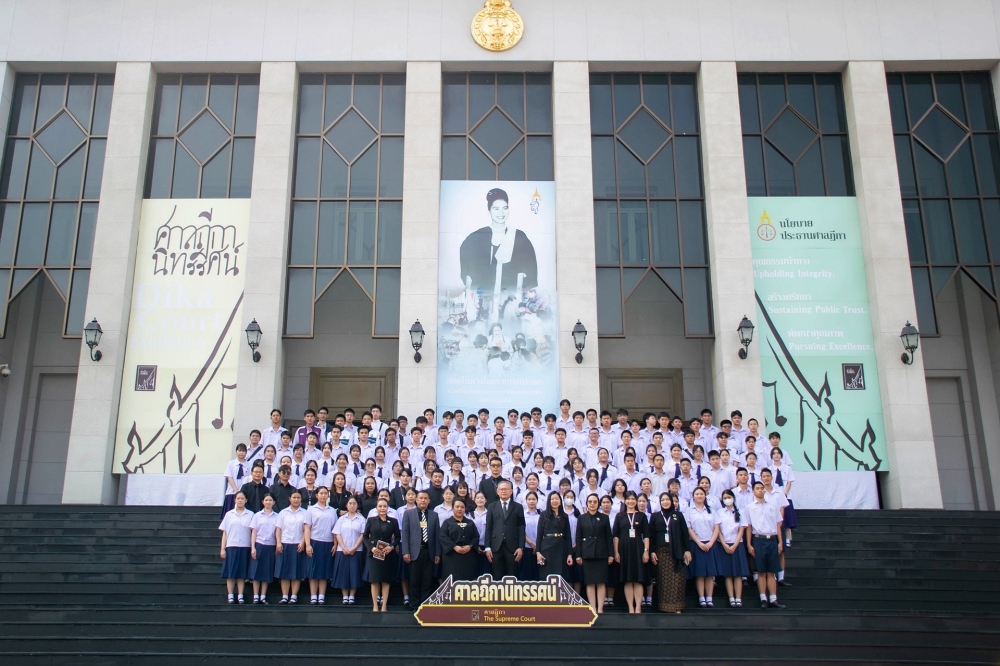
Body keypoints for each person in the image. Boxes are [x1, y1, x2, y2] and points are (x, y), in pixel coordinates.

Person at [459, 187, 538, 293]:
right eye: (496, 208)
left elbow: (530, 277)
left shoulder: (519, 237)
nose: (501, 213)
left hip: (511, 298)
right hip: (482, 297)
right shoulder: (475, 238)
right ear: (489, 211)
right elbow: (468, 275)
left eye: (505, 208)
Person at [649, 492, 691, 614]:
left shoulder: (678, 515)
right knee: (664, 580)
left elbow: (684, 534)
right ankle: (665, 607)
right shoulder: (655, 516)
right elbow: (651, 535)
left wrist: (687, 550)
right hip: (661, 552)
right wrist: (652, 551)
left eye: (667, 499)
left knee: (677, 579)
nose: (665, 502)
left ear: (672, 501)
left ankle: (677, 606)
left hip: (677, 551)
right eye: (662, 500)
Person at [745, 481, 785, 609]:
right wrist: (749, 544)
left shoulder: (773, 506)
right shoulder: (749, 507)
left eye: (762, 488)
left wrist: (780, 542)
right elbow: (748, 526)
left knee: (771, 571)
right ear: (753, 491)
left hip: (772, 539)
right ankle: (763, 598)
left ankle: (773, 599)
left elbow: (778, 524)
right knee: (761, 571)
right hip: (758, 539)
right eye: (757, 488)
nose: (760, 490)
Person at [400, 490, 441, 608]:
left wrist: (437, 553)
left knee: (427, 581)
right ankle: (414, 605)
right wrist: (405, 551)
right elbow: (405, 534)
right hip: (414, 552)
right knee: (414, 580)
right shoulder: (408, 514)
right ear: (416, 500)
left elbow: (437, 535)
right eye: (421, 498)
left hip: (429, 552)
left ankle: (424, 606)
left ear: (429, 501)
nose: (423, 500)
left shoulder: (434, 515)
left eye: (425, 498)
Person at [575, 493, 613, 614]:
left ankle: (600, 609)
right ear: (587, 503)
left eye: (595, 502)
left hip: (602, 553)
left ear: (598, 504)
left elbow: (608, 537)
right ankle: (593, 608)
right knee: (590, 582)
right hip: (587, 553)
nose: (592, 504)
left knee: (601, 582)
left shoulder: (604, 518)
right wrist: (578, 555)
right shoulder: (581, 518)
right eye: (590, 502)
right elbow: (578, 537)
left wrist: (611, 554)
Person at [612, 491, 650, 614]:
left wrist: (646, 551)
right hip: (624, 549)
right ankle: (630, 607)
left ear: (636, 501)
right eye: (628, 499)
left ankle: (638, 607)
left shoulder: (641, 516)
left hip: (638, 548)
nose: (631, 501)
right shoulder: (620, 516)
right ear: (625, 501)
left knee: (638, 579)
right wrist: (616, 552)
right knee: (628, 579)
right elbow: (616, 536)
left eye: (633, 499)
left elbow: (647, 535)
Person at [685, 487, 721, 608]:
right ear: (693, 496)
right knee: (699, 572)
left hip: (710, 543)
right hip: (696, 544)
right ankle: (701, 597)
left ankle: (709, 598)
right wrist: (699, 543)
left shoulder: (711, 510)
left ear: (705, 496)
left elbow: (716, 527)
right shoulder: (689, 511)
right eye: (697, 494)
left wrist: (710, 542)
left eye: (701, 494)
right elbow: (689, 528)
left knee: (710, 573)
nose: (699, 496)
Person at [363, 498, 400, 612]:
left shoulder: (393, 521)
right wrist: (372, 548)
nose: (382, 508)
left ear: (388, 508)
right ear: (376, 508)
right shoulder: (371, 520)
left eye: (384, 506)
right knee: (374, 580)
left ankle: (384, 606)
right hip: (374, 553)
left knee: (386, 580)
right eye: (380, 506)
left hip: (387, 554)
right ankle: (375, 606)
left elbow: (398, 537)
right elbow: (365, 537)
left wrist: (392, 546)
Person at [484, 480, 526, 579]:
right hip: (495, 546)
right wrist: (487, 547)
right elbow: (488, 528)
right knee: (497, 576)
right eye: (501, 489)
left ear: (511, 491)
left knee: (512, 576)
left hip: (513, 547)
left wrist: (521, 547)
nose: (503, 491)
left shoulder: (518, 507)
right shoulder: (491, 506)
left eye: (506, 489)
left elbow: (521, 527)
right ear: (497, 492)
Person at [303, 486, 337, 605]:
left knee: (324, 570)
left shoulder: (332, 511)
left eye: (325, 493)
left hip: (328, 542)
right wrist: (308, 544)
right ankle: (313, 595)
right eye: (321, 493)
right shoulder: (311, 510)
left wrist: (335, 544)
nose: (323, 495)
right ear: (316, 495)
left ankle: (321, 595)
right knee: (313, 570)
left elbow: (335, 529)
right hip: (314, 541)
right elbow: (307, 528)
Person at [219, 491, 253, 604]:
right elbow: (225, 532)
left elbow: (253, 532)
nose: (240, 500)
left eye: (242, 498)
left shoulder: (250, 515)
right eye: (238, 498)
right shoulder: (229, 514)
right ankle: (230, 595)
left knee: (242, 573)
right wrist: (222, 548)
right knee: (231, 572)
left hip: (245, 546)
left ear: (246, 500)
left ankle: (240, 595)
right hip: (231, 545)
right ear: (235, 500)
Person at [274, 489, 308, 604]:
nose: (296, 500)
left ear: (301, 499)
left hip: (298, 544)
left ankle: (293, 596)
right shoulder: (283, 513)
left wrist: (303, 542)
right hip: (285, 543)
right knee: (284, 572)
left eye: (298, 498)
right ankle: (284, 596)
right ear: (290, 499)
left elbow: (306, 530)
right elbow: (278, 529)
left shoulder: (305, 513)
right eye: (294, 497)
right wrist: (278, 542)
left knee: (296, 572)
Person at [717, 489, 750, 608]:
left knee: (738, 573)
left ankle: (738, 598)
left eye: (729, 497)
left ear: (733, 498)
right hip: (724, 544)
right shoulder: (719, 512)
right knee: (728, 573)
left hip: (737, 544)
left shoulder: (740, 512)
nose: (727, 499)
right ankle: (731, 597)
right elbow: (718, 530)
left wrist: (735, 544)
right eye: (725, 498)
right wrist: (724, 544)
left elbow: (741, 529)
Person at [331, 496, 365, 605]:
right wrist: (343, 548)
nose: (352, 505)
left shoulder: (361, 519)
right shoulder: (341, 519)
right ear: (346, 505)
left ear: (357, 505)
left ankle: (352, 596)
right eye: (350, 503)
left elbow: (363, 534)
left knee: (355, 573)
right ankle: (345, 596)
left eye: (354, 503)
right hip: (342, 550)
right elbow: (337, 534)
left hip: (357, 550)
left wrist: (354, 548)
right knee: (343, 573)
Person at [440, 498, 481, 582]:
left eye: (462, 507)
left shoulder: (470, 522)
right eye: (457, 507)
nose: (460, 509)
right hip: (452, 556)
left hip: (468, 555)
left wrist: (470, 546)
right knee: (452, 580)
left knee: (468, 580)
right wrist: (454, 547)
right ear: (452, 508)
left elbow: (476, 537)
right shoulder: (447, 523)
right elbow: (443, 537)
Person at [248, 493, 279, 604]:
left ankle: (263, 596)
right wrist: (253, 547)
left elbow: (277, 532)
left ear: (274, 502)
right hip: (259, 544)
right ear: (263, 502)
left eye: (270, 500)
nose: (268, 502)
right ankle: (256, 596)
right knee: (256, 571)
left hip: (270, 546)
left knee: (266, 571)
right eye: (266, 500)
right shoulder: (257, 516)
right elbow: (254, 532)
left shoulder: (277, 516)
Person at [536, 491, 573, 580]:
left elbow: (568, 536)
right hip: (547, 547)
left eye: (557, 499)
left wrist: (570, 554)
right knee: (546, 574)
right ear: (549, 501)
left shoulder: (564, 516)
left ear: (560, 501)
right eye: (552, 499)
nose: (554, 501)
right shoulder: (543, 515)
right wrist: (538, 552)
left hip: (561, 547)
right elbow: (539, 535)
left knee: (561, 575)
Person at [222, 443, 249, 518]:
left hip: (244, 493)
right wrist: (236, 490)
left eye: (243, 451)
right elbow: (229, 477)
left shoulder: (249, 464)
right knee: (230, 515)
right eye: (239, 451)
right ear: (236, 452)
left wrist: (242, 491)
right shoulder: (231, 463)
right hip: (232, 492)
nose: (241, 453)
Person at [519, 491, 541, 581]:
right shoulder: (522, 514)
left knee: (538, 574)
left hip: (539, 549)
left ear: (537, 501)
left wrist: (537, 545)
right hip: (526, 547)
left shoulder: (541, 515)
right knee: (526, 574)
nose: (531, 501)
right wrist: (531, 543)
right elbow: (520, 531)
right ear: (526, 501)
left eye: (533, 499)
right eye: (529, 499)